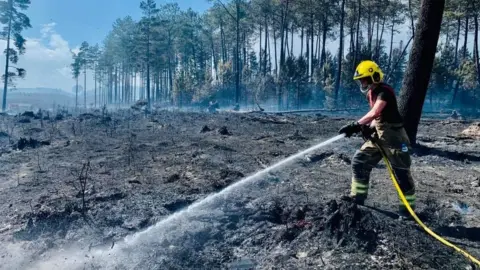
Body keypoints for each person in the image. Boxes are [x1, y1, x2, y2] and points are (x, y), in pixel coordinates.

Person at [338, 60, 415, 217]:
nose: (362, 82)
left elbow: (375, 112)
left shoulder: (384, 92)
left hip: (395, 137)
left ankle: (407, 212)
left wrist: (356, 125)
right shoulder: (371, 93)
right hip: (379, 135)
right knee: (360, 161)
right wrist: (370, 127)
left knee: (401, 173)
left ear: (374, 76)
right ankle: (357, 197)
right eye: (360, 80)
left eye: (364, 79)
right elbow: (377, 116)